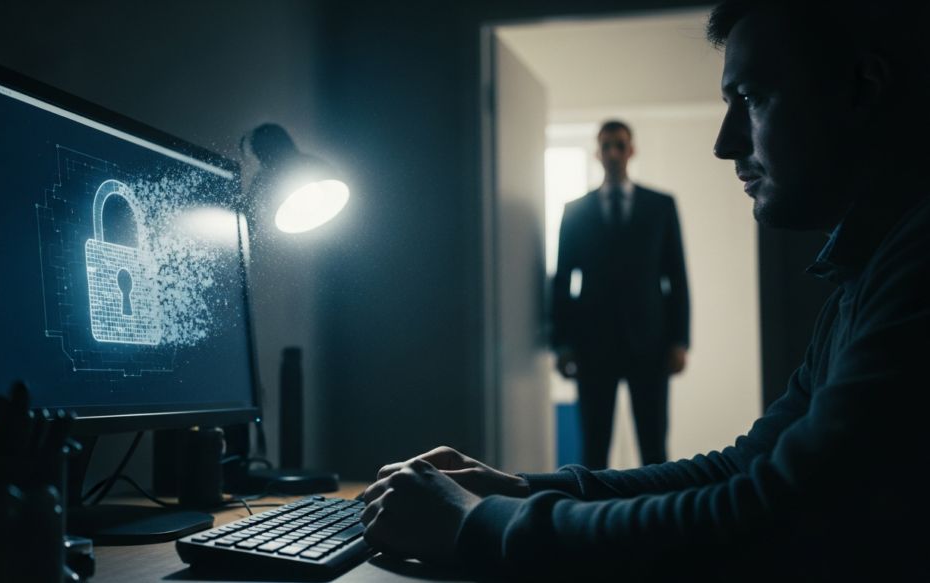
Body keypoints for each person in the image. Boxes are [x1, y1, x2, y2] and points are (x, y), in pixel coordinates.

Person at [359, 0, 930, 579]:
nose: (725, 143)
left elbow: (778, 512)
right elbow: (742, 469)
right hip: (597, 344)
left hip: (649, 340)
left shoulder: (914, 266)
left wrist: (476, 523)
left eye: (751, 98)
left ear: (862, 86)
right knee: (598, 439)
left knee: (653, 436)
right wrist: (521, 488)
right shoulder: (860, 283)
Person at [552, 120, 690, 469]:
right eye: (606, 146)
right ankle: (591, 521)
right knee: (594, 449)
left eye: (620, 145)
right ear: (597, 153)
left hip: (652, 341)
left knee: (654, 445)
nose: (613, 152)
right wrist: (562, 344)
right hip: (592, 345)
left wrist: (680, 340)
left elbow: (677, 277)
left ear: (632, 150)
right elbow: (562, 281)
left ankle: (658, 519)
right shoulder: (575, 211)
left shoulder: (661, 205)